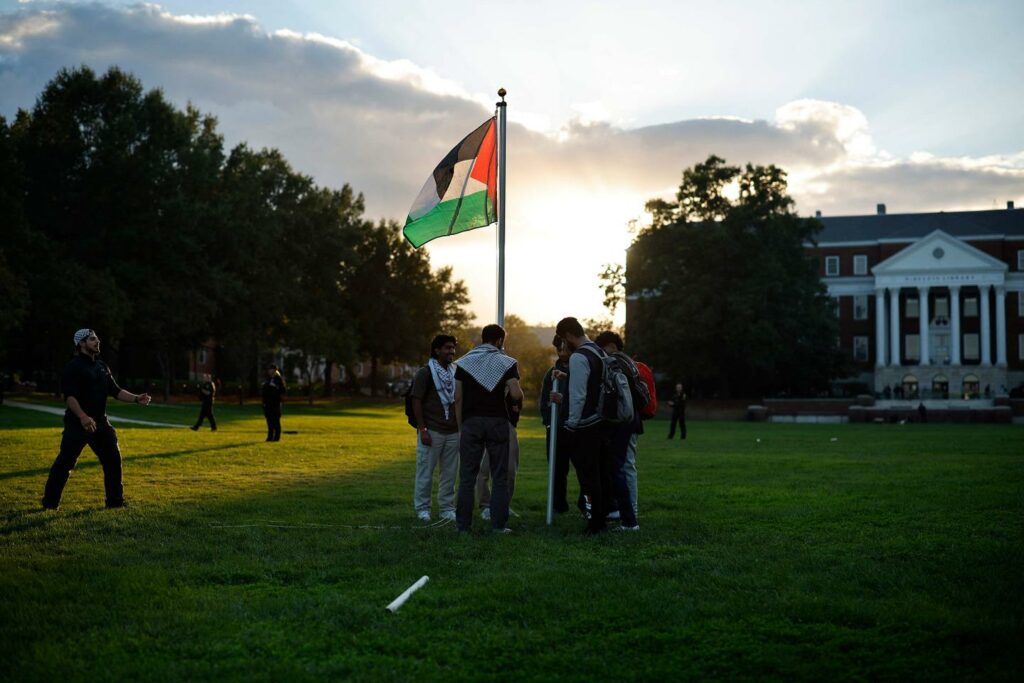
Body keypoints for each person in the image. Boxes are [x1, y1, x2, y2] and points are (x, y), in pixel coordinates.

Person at [41, 328, 152, 510]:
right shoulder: (73, 367)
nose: (97, 342)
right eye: (92, 339)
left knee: (113, 460)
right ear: (81, 343)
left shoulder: (102, 366)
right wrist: (83, 416)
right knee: (65, 464)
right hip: (78, 424)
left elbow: (115, 391)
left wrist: (136, 398)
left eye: (97, 339)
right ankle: (49, 504)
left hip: (101, 424)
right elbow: (70, 397)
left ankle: (115, 503)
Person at [454, 324, 523, 533]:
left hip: (471, 422)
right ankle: (498, 526)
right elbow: (516, 393)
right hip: (497, 422)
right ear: (500, 341)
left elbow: (457, 398)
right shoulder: (506, 362)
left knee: (467, 476)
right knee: (499, 475)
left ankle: (463, 527)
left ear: (483, 338)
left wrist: (461, 426)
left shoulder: (464, 362)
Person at [555, 317, 617, 535]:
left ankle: (594, 522)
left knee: (588, 478)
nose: (563, 346)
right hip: (602, 421)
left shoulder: (579, 357)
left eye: (564, 340)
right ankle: (601, 517)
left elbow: (579, 395)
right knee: (600, 475)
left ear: (569, 336)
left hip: (585, 426)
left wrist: (570, 425)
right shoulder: (598, 351)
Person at [411, 334, 460, 522]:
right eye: (448, 348)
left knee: (449, 474)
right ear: (437, 350)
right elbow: (416, 401)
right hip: (431, 430)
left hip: (453, 431)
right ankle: (422, 509)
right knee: (425, 473)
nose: (452, 351)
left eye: (453, 348)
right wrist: (422, 429)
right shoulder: (425, 372)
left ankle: (447, 509)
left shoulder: (456, 372)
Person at [540, 335, 575, 513]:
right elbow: (544, 402)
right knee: (557, 469)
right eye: (558, 349)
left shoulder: (579, 370)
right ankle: (558, 505)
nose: (562, 353)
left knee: (584, 469)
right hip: (556, 428)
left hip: (576, 428)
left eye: (565, 349)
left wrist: (564, 400)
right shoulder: (550, 373)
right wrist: (549, 423)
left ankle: (587, 505)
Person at [475, 390, 521, 520]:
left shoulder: (512, 381)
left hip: (507, 426)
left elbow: (517, 404)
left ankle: (504, 505)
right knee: (483, 470)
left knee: (510, 470)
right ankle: (486, 505)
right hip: (485, 423)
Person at [261, 364, 286, 442]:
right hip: (268, 403)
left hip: (275, 403)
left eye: (271, 369)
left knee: (276, 421)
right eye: (269, 369)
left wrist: (275, 387)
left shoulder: (278, 379)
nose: (269, 371)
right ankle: (270, 436)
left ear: (275, 370)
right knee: (269, 421)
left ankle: (276, 437)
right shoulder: (268, 379)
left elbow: (283, 391)